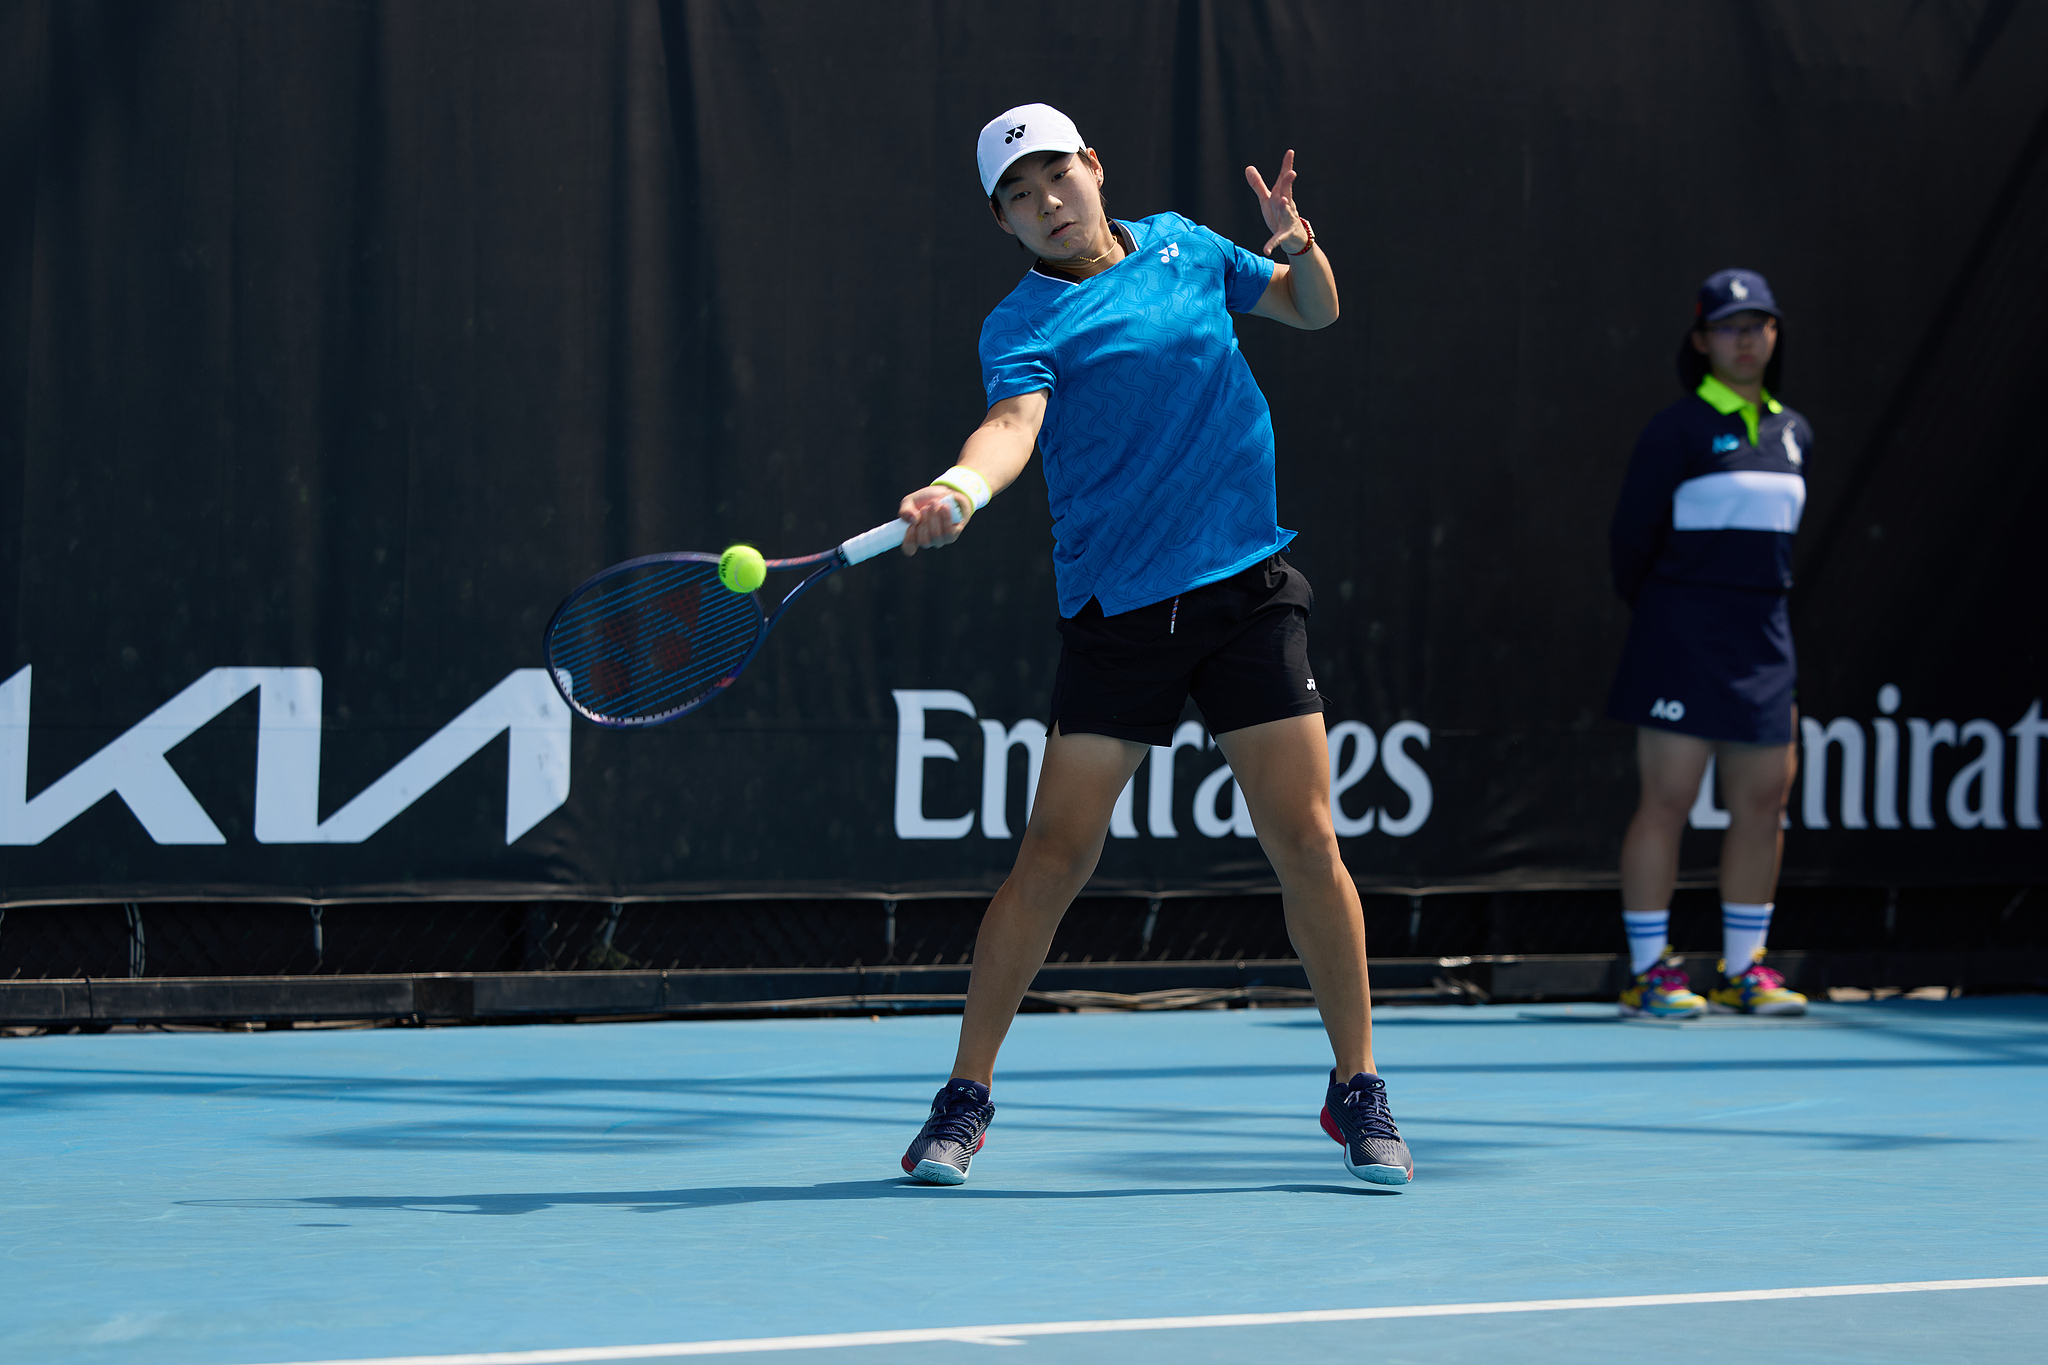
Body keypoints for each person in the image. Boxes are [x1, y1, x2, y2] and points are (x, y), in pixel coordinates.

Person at [887, 102, 1412, 1187]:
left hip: (1245, 595)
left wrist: (1295, 245)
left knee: (1305, 843)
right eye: (1016, 197)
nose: (1043, 203)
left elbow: (1310, 313)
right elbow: (1010, 430)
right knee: (1051, 860)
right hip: (1120, 617)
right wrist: (957, 488)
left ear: (1092, 167)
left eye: (1053, 177)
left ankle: (1355, 1086)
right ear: (1003, 222)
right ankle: (963, 1095)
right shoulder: (1019, 325)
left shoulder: (1182, 244)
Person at [1607, 269, 1811, 1019]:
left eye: (1759, 323)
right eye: (1730, 325)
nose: (1746, 337)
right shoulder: (1676, 430)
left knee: (1764, 802)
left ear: (1774, 335)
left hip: (1765, 643)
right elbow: (1631, 542)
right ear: (1701, 341)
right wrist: (1677, 614)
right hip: (1681, 639)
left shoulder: (1795, 433)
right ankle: (1648, 971)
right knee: (1668, 801)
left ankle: (1741, 967)